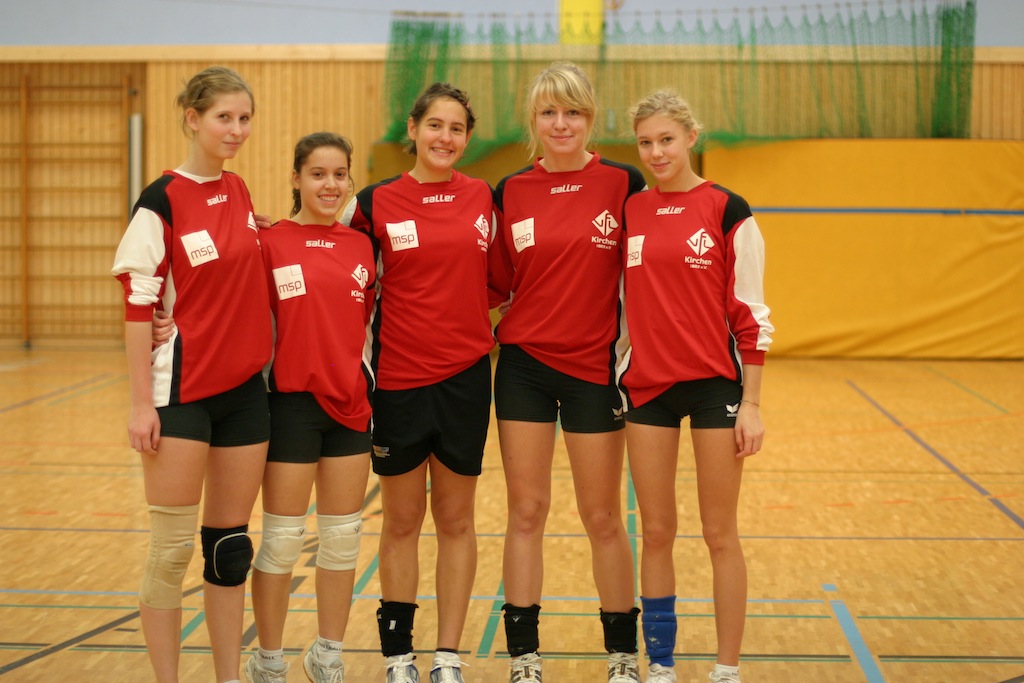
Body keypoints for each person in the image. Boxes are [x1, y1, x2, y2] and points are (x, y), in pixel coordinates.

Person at [487, 61, 648, 683]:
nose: (561, 123)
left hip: (593, 369)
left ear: (590, 119)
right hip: (523, 368)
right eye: (550, 112)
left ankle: (622, 656)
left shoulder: (623, 183)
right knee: (526, 511)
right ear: (534, 119)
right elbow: (487, 280)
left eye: (573, 112)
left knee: (602, 517)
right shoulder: (509, 191)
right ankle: (525, 657)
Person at [111, 65, 272, 683]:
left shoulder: (239, 190)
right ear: (192, 118)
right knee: (172, 552)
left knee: (229, 552)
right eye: (224, 117)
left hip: (244, 395)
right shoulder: (160, 201)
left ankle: (228, 677)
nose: (236, 129)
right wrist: (139, 405)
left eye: (244, 118)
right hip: (180, 395)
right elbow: (138, 307)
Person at [341, 82, 495, 683]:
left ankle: (448, 656)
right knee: (401, 522)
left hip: (465, 382)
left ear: (467, 137)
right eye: (435, 125)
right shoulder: (373, 203)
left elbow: (505, 276)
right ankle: (398, 656)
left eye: (456, 129)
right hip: (399, 382)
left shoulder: (482, 197)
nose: (445, 138)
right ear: (412, 128)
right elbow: (332, 264)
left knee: (457, 522)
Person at [620, 90, 773, 683]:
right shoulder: (631, 211)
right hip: (648, 388)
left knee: (719, 533)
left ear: (690, 137)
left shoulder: (729, 209)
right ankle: (660, 664)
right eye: (645, 142)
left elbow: (751, 313)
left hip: (715, 388)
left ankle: (726, 668)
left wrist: (751, 403)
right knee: (656, 531)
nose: (656, 152)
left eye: (666, 139)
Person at [243, 132, 375, 683]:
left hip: (351, 407)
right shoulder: (268, 241)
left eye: (340, 174)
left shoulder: (362, 246)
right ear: (296, 178)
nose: (330, 184)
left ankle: (328, 654)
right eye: (318, 174)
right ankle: (268, 659)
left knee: (342, 539)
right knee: (281, 540)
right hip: (290, 405)